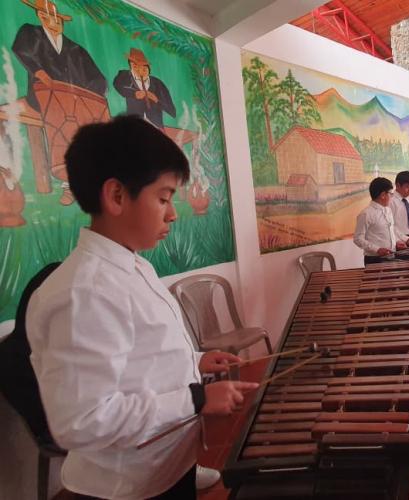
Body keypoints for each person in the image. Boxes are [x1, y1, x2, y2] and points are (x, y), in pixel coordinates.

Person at [26, 116, 259, 499]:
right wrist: (197, 398)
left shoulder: (133, 264)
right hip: (127, 487)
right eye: (164, 198)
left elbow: (137, 355)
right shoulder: (83, 293)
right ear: (116, 196)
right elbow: (82, 422)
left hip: (164, 466)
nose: (173, 214)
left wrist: (196, 359)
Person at [12, 0, 107, 112]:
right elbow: (22, 50)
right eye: (50, 17)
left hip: (76, 103)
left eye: (58, 19)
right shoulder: (32, 33)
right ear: (41, 17)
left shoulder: (76, 49)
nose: (56, 22)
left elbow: (98, 79)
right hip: (43, 98)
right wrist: (40, 73)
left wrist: (87, 96)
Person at [114, 48, 177, 130]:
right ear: (131, 67)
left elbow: (172, 111)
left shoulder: (158, 84)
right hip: (133, 125)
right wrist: (134, 94)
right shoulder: (124, 76)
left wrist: (156, 100)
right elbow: (117, 85)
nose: (140, 71)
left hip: (155, 128)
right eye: (136, 67)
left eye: (144, 69)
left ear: (149, 68)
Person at [354, 177, 407, 265]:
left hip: (391, 255)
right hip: (374, 259)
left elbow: (390, 230)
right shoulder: (366, 214)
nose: (392, 196)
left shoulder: (388, 210)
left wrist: (397, 242)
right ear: (383, 195)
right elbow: (358, 239)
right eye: (391, 193)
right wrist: (377, 249)